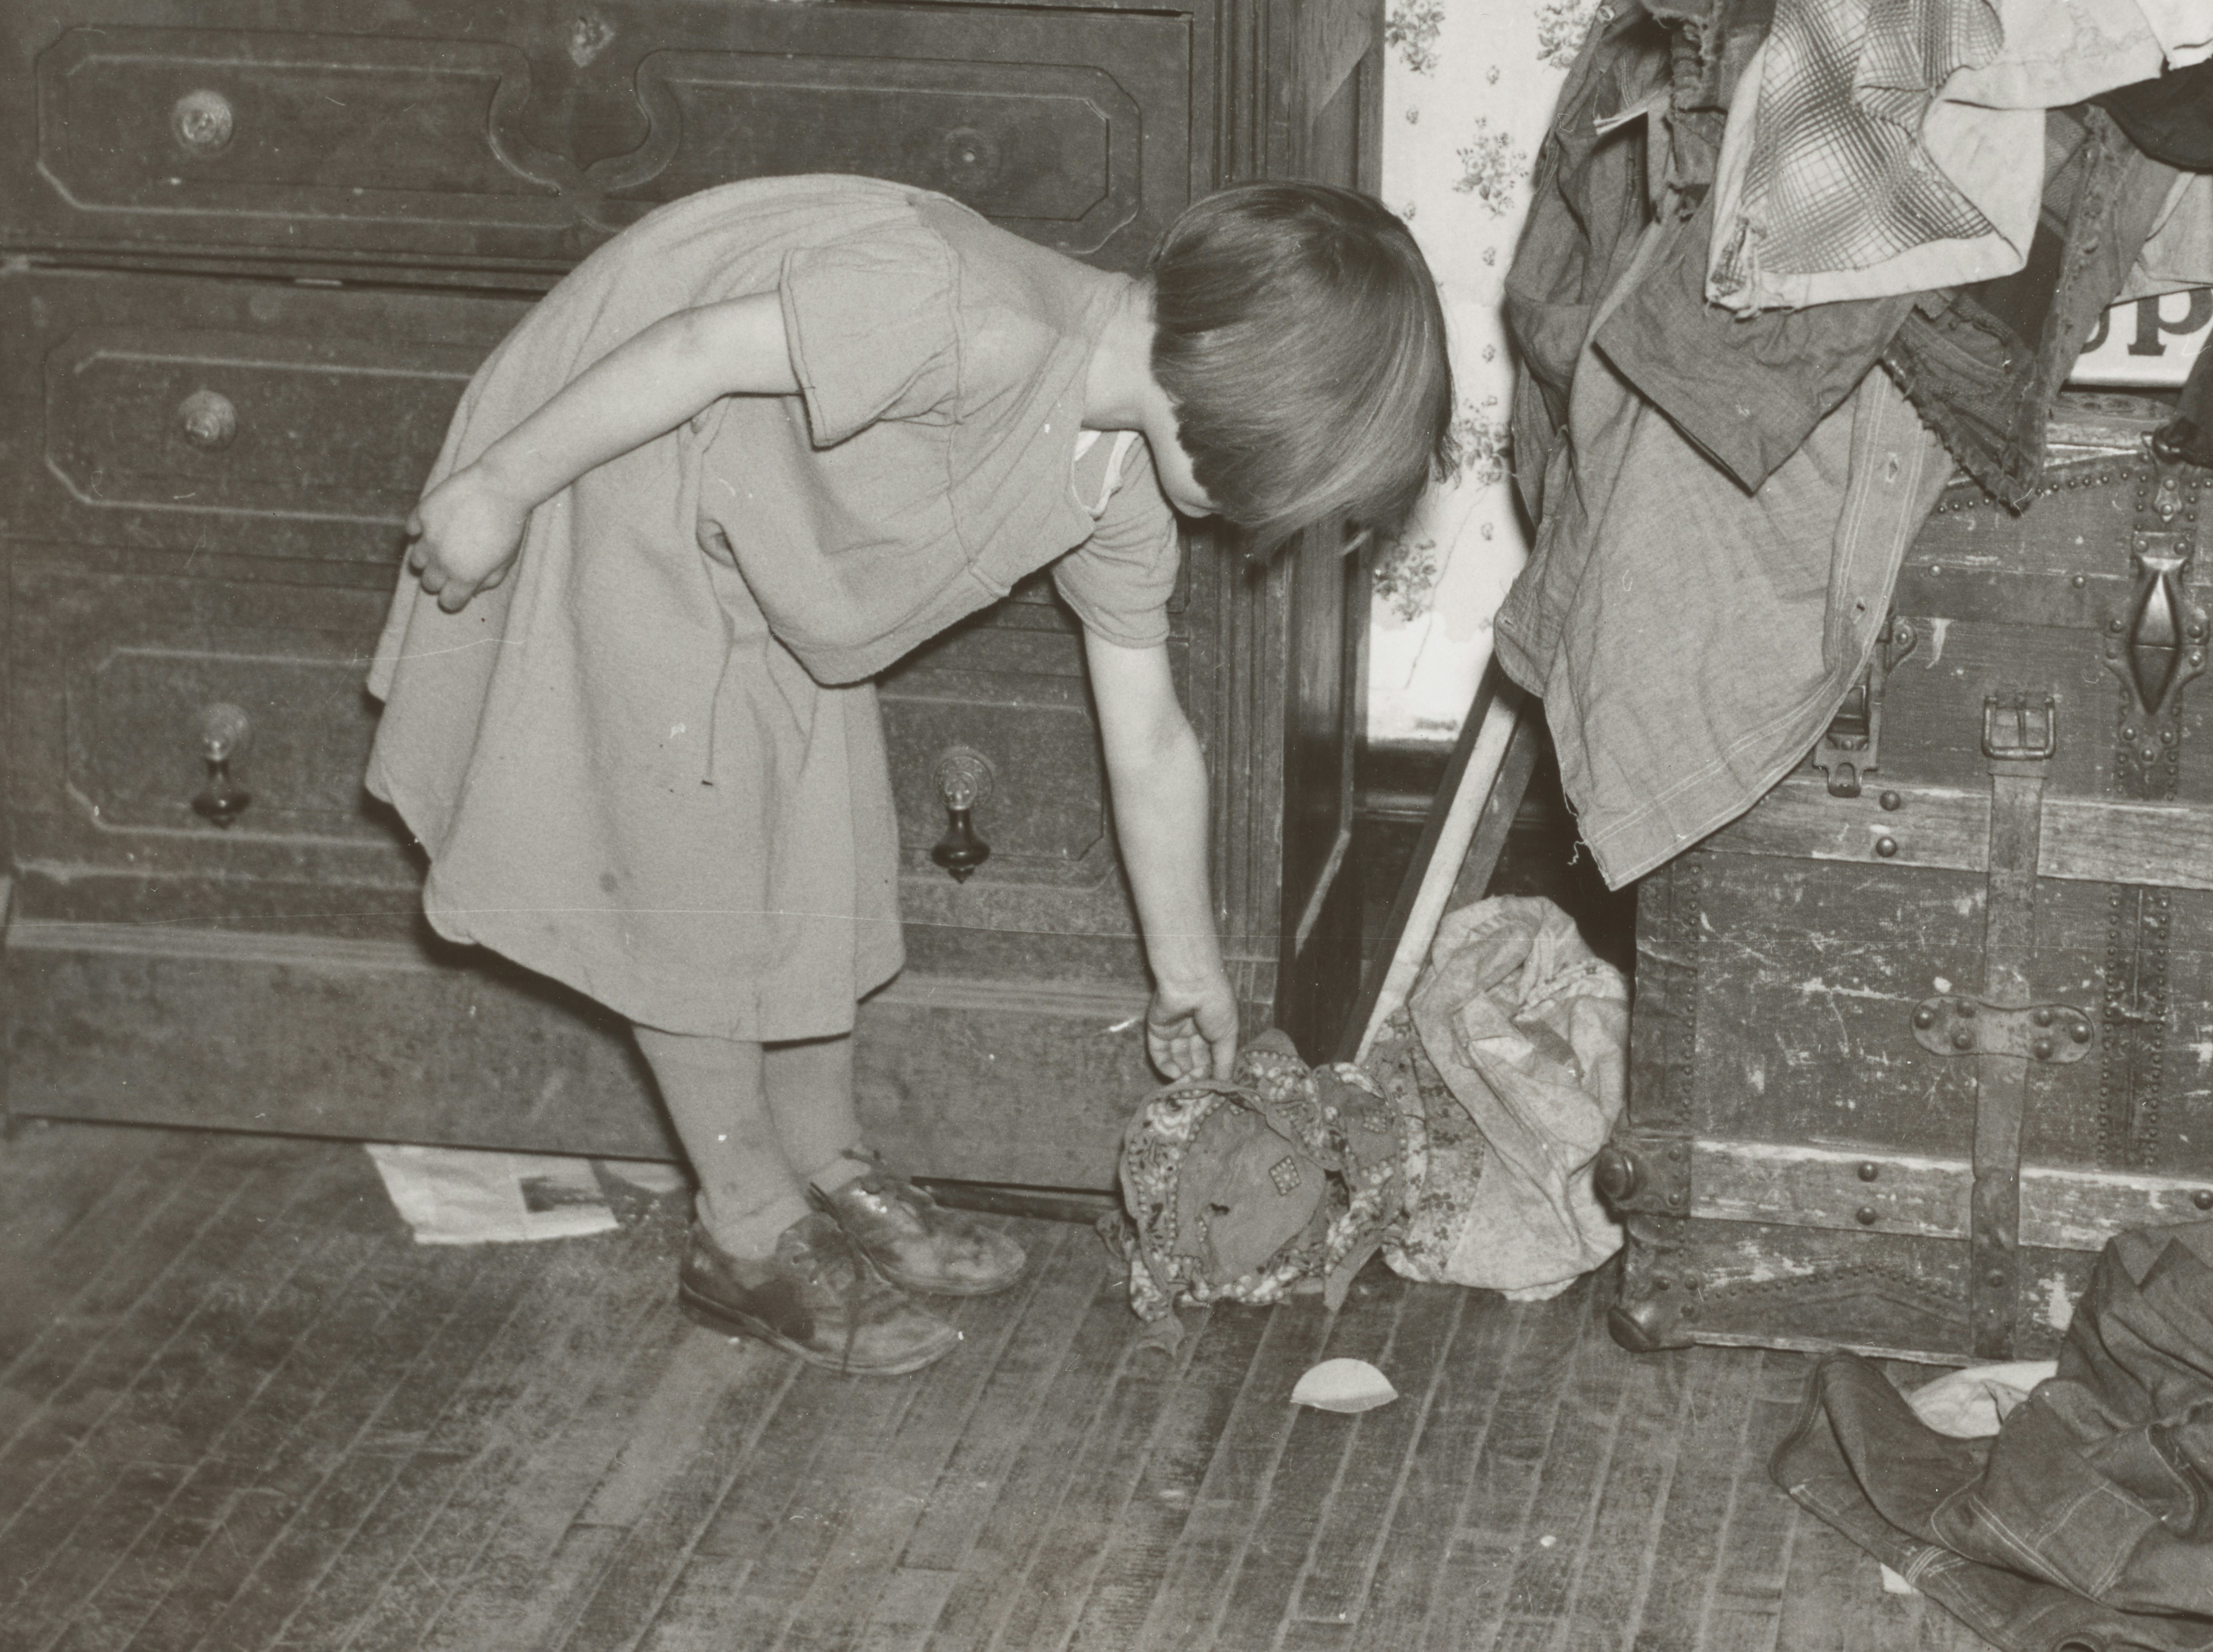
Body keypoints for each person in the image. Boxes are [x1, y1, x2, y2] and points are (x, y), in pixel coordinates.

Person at [372, 173, 1449, 1378]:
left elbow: (1148, 735)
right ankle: (744, 1230)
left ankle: (824, 1165)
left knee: (823, 848)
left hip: (756, 546)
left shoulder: (1124, 482)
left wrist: (1189, 969)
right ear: (1259, 407)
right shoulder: (970, 317)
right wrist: (499, 486)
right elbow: (687, 345)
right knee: (693, 877)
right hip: (618, 472)